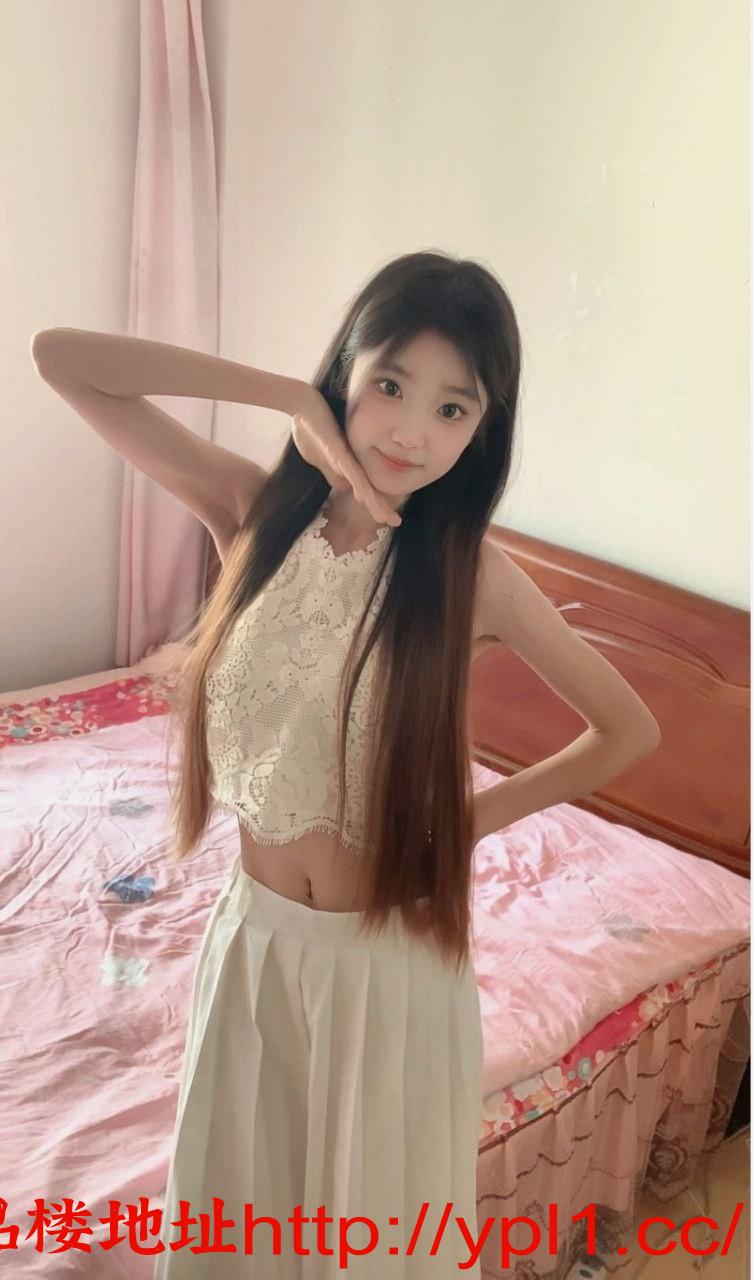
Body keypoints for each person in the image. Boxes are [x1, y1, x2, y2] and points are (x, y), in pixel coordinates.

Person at [31, 250, 660, 1277]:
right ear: (345, 376)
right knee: (243, 1227)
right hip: (256, 946)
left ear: (482, 429)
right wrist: (289, 397)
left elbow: (626, 729)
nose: (412, 430)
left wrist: (470, 824)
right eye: (389, 385)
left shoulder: (468, 572)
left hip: (388, 970)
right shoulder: (254, 510)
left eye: (454, 409)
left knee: (367, 1245)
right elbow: (63, 359)